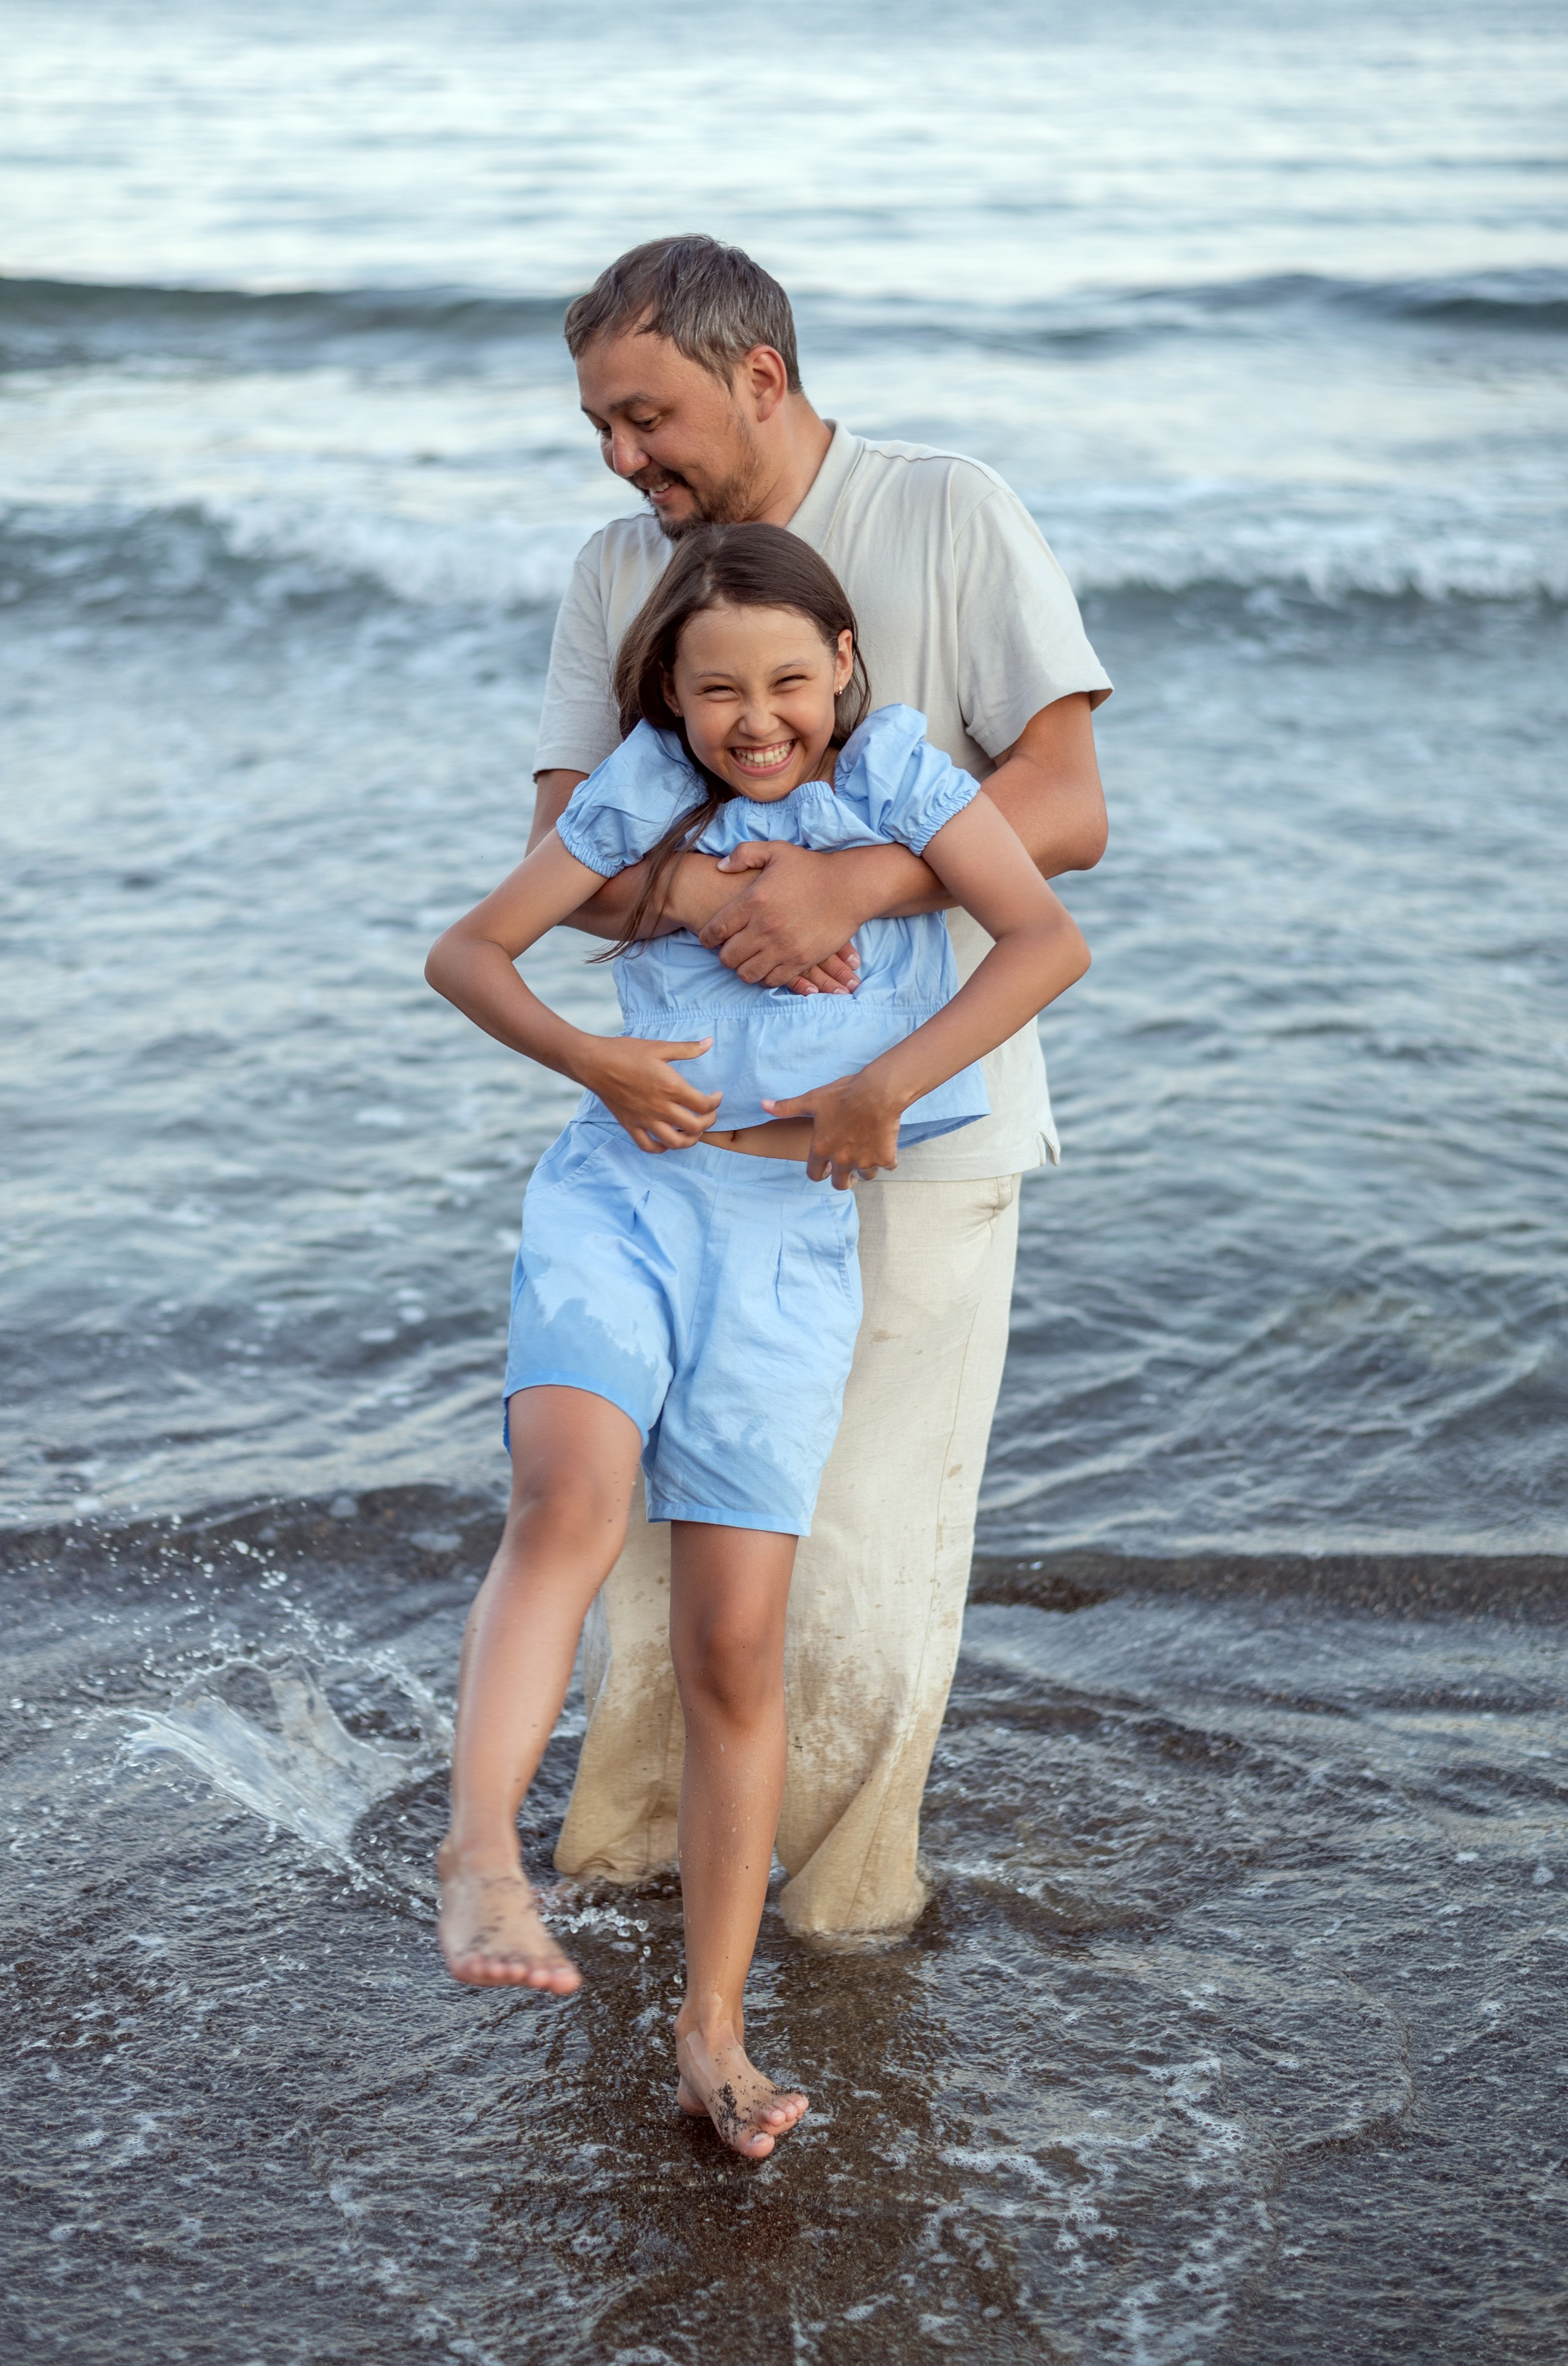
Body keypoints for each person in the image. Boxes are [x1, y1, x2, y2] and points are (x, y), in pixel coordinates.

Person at [425, 524, 1088, 2157]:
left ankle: (711, 2036)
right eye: (716, 688)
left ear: (845, 665)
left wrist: (881, 1085)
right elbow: (469, 951)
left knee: (736, 1651)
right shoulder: (643, 788)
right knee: (569, 1497)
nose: (756, 716)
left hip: (787, 1248)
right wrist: (597, 1060)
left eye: (789, 679)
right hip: (624, 1203)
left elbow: (1046, 938)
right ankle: (478, 1854)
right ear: (667, 690)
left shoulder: (904, 781)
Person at [528, 237, 1113, 1937]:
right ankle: (631, 1886)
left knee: (860, 1549)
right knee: (662, 1550)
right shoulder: (609, 572)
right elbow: (562, 860)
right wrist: (716, 897)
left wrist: (855, 883)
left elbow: (1068, 807)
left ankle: (851, 1916)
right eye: (602, 427)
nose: (625, 459)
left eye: (648, 417)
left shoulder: (944, 508)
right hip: (687, 1141)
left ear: (758, 377)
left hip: (920, 1131)